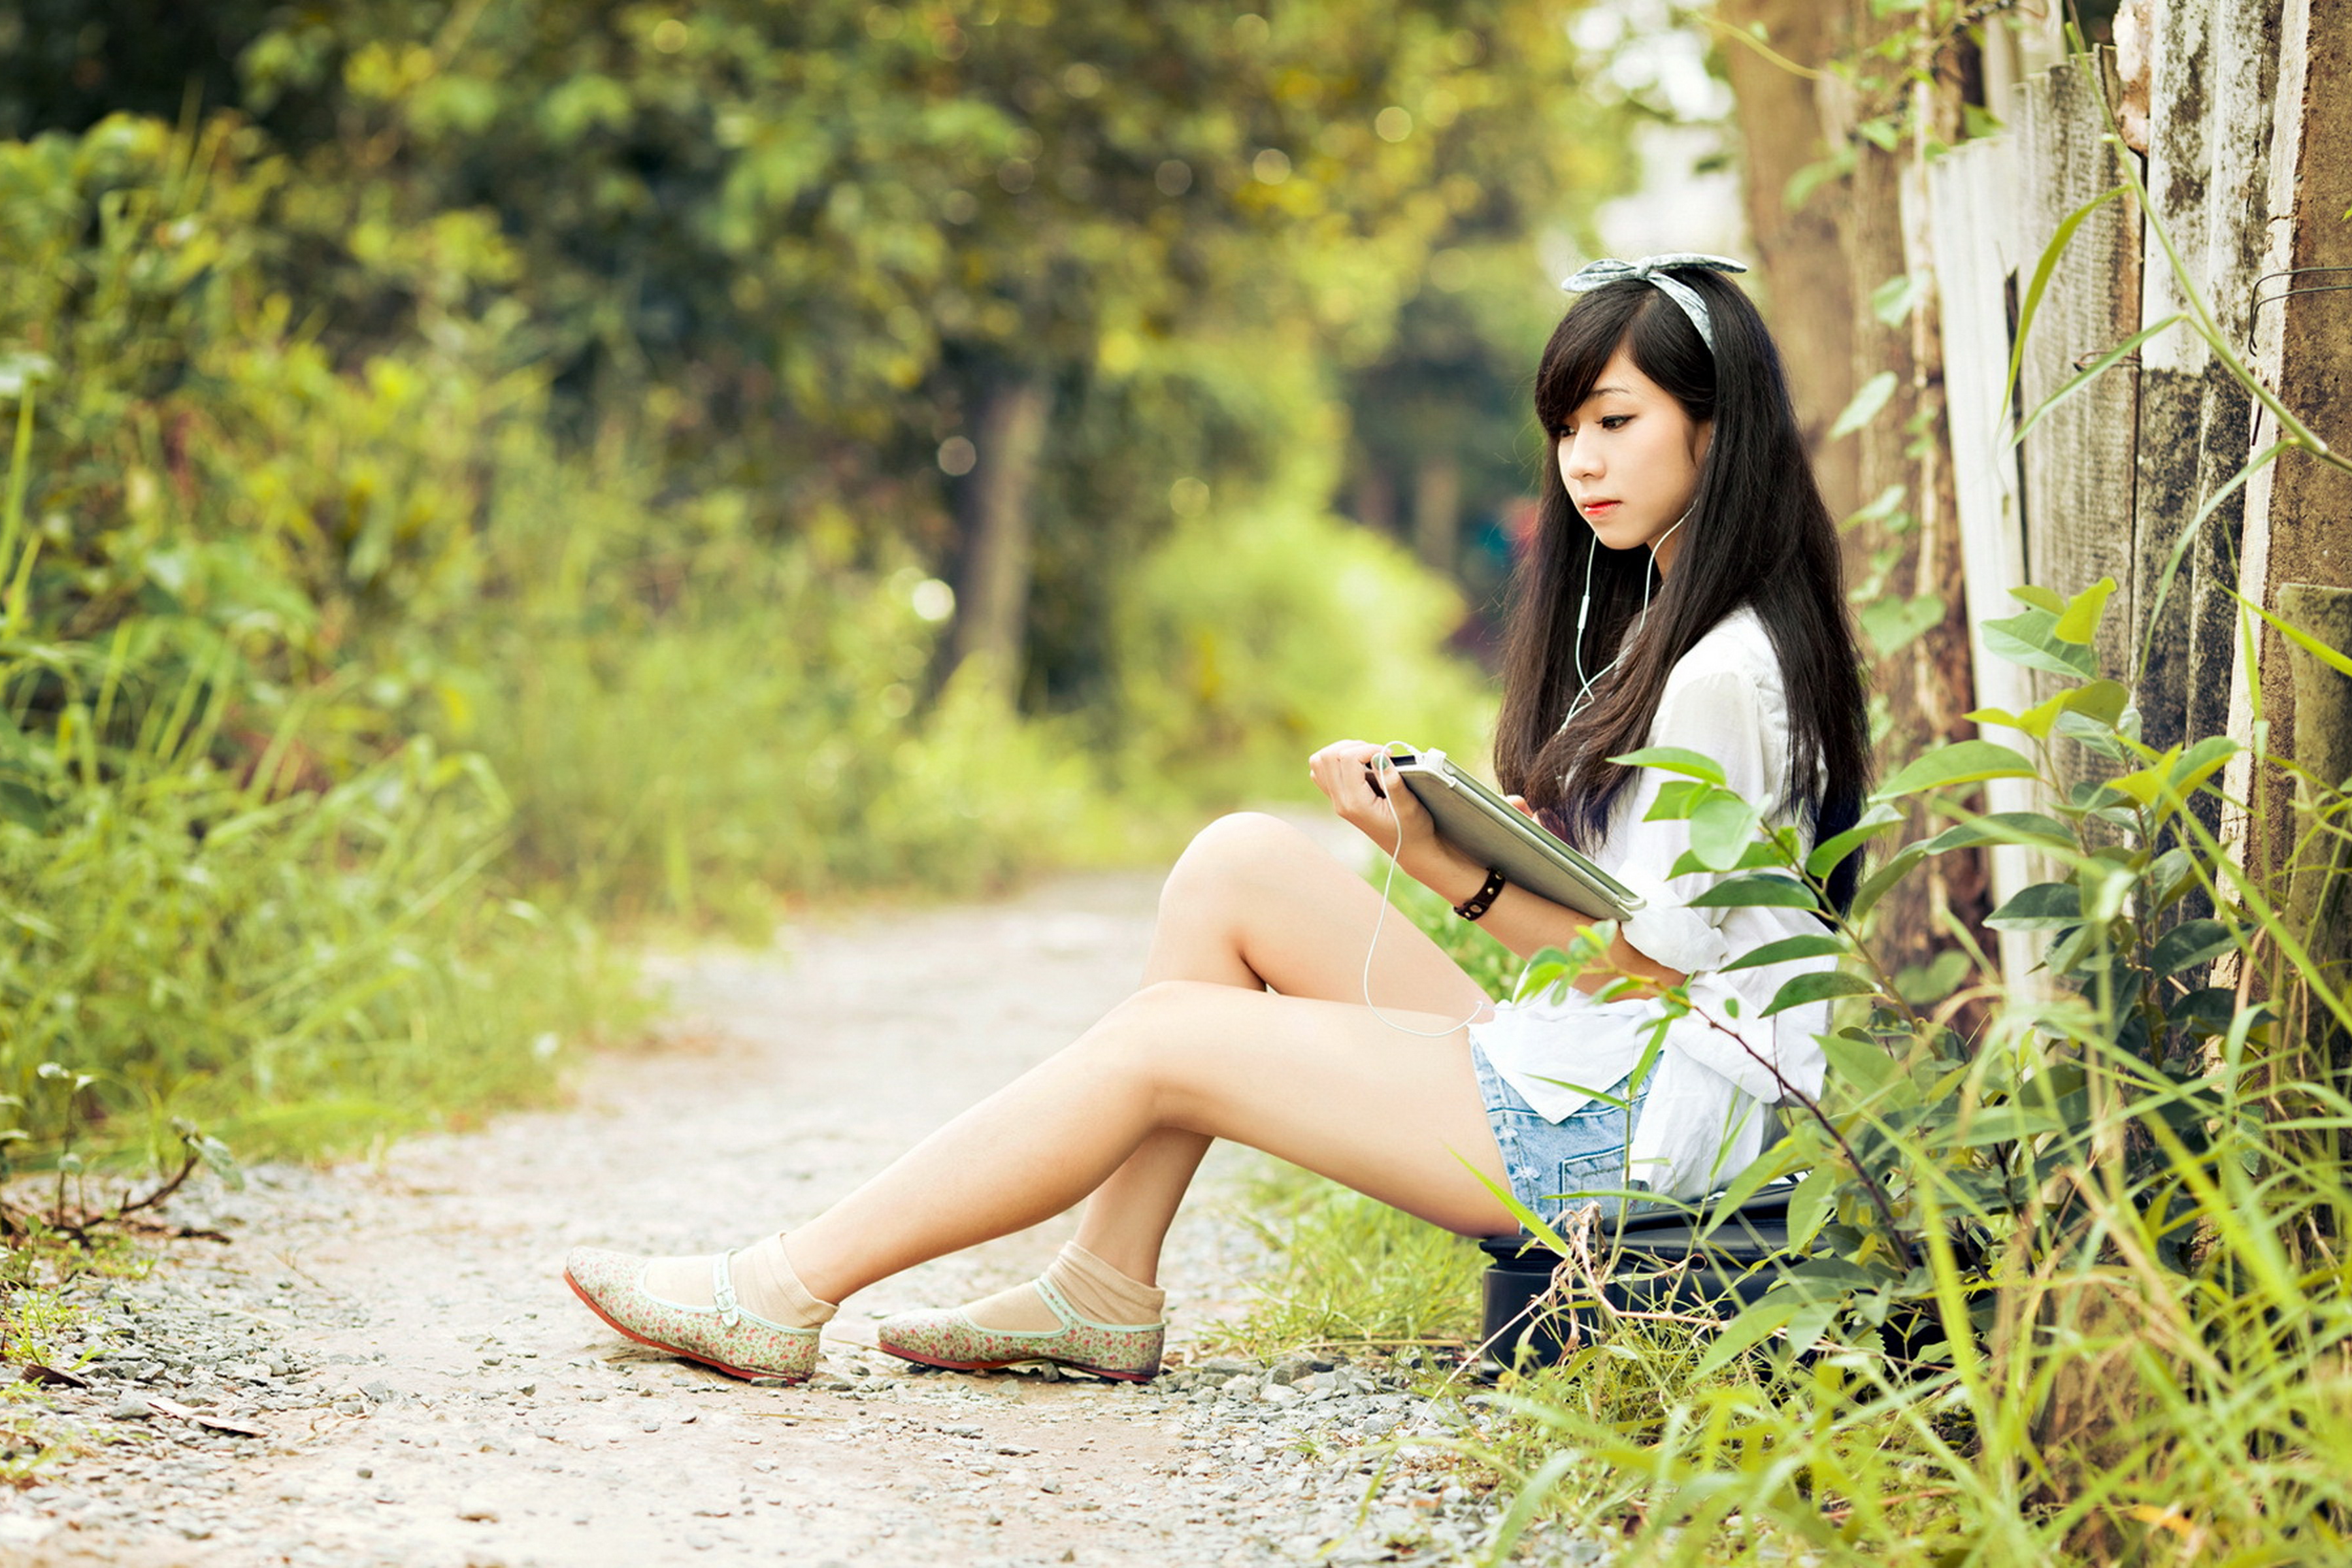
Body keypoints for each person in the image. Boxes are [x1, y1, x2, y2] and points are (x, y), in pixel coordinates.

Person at [561, 255, 1870, 1386]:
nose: (1581, 461)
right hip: (1607, 1075)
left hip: (1640, 1137)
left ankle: (780, 1289)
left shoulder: (1716, 673)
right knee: (1236, 866)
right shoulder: (1686, 624)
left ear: (1717, 428)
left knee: (1170, 1040)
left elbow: (1653, 981)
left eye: (1616, 421)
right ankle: (1103, 1287)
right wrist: (1481, 843)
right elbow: (1643, 935)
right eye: (1566, 429)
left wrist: (1447, 869)